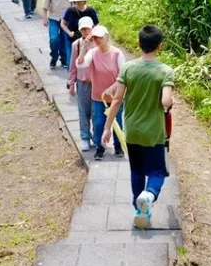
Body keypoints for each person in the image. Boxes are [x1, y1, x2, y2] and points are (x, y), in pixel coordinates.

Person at [102, 25, 175, 230]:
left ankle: (139, 209)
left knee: (136, 171)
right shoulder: (165, 71)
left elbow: (117, 100)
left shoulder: (128, 68)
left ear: (138, 43)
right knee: (158, 172)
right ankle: (149, 195)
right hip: (153, 132)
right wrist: (170, 101)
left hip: (132, 129)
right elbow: (165, 101)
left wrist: (107, 128)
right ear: (159, 46)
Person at [76, 25, 125, 161]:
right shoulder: (92, 53)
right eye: (95, 37)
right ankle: (100, 146)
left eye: (100, 37)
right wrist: (84, 47)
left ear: (107, 37)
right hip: (98, 96)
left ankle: (118, 145)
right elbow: (80, 64)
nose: (97, 40)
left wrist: (115, 87)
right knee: (98, 123)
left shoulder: (117, 53)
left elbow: (123, 75)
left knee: (118, 122)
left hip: (116, 96)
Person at [68, 16, 97, 152]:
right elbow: (73, 66)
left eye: (88, 28)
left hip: (97, 83)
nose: (86, 31)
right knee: (83, 111)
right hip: (82, 82)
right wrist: (71, 83)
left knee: (96, 112)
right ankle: (85, 137)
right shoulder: (77, 45)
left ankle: (97, 138)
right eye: (83, 29)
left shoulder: (98, 43)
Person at [42, 0, 75, 69]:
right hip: (53, 18)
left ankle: (64, 60)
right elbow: (45, 3)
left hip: (66, 19)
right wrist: (44, 18)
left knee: (66, 39)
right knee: (54, 39)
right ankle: (54, 58)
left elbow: (74, 3)